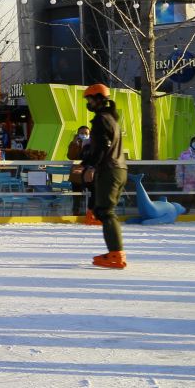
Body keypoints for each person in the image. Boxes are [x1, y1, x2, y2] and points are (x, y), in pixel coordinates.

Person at [79, 84, 129, 269]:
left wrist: (90, 165)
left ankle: (116, 254)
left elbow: (102, 146)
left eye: (90, 99)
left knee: (106, 212)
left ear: (99, 98)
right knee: (103, 210)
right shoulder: (111, 119)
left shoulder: (101, 119)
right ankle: (115, 252)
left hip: (110, 169)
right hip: (119, 168)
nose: (88, 103)